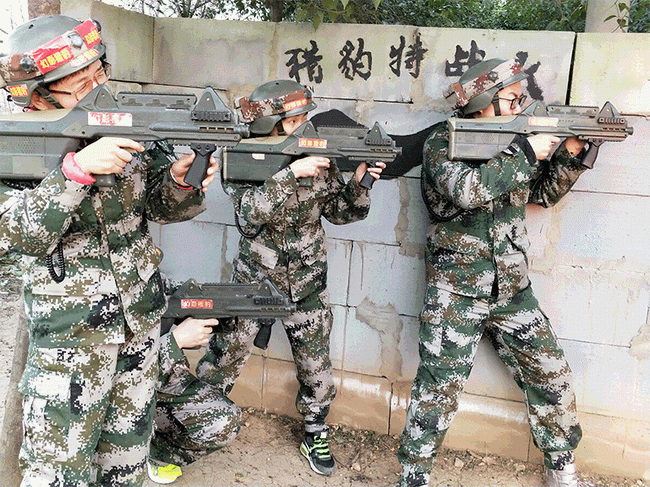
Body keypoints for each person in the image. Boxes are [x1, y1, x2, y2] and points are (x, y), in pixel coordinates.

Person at [0, 15, 218, 487]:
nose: (99, 91)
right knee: (58, 476)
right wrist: (74, 173)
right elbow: (8, 242)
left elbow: (160, 208)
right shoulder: (12, 145)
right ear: (35, 97)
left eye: (101, 74)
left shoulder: (122, 125)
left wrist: (181, 182)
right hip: (69, 348)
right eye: (81, 86)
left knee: (125, 469)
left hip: (138, 334)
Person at [397, 58, 594, 487]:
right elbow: (469, 192)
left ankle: (562, 468)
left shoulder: (514, 139)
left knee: (551, 372)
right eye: (511, 98)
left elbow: (541, 194)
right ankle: (413, 476)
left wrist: (573, 153)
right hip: (456, 289)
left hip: (511, 287)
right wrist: (525, 150)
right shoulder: (441, 143)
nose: (520, 104)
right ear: (484, 102)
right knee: (438, 390)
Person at [195, 79, 385, 476]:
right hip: (255, 283)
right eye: (296, 120)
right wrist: (289, 174)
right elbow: (248, 217)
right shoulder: (244, 156)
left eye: (304, 118)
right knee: (223, 360)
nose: (304, 126)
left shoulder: (320, 156)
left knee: (317, 371)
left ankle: (314, 429)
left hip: (308, 284)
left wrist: (361, 184)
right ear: (272, 126)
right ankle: (190, 425)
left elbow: (340, 214)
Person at [147, 279, 241, 485]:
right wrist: (176, 341)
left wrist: (209, 300)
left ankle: (155, 453)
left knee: (223, 420)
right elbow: (117, 371)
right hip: (114, 395)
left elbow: (164, 287)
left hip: (159, 382)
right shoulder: (80, 287)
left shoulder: (131, 259)